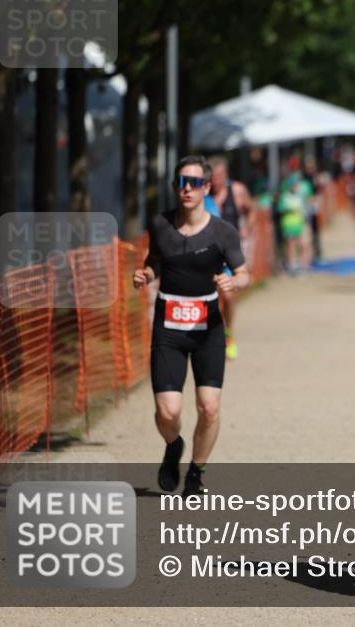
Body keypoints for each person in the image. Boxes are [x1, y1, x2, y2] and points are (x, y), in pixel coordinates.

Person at [133, 155, 250, 497]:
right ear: (175, 186)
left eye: (195, 183)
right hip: (168, 326)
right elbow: (154, 260)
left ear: (207, 187)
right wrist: (146, 274)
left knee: (209, 407)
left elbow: (243, 272)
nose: (188, 188)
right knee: (167, 412)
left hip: (208, 327)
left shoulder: (222, 231)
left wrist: (234, 283)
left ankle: (196, 474)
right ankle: (173, 446)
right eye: (182, 182)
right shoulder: (160, 225)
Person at [208, 156, 255, 360]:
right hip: (206, 253)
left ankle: (228, 334)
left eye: (219, 176)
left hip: (229, 254)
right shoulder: (203, 193)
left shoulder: (237, 191)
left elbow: (251, 210)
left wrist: (246, 228)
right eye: (212, 177)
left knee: (226, 296)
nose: (215, 181)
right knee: (209, 297)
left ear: (225, 175)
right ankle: (208, 337)